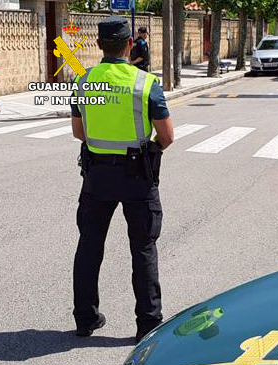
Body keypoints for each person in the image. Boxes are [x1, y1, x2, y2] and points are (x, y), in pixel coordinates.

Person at [70, 16, 174, 342]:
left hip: (97, 177)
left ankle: (85, 319)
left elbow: (79, 132)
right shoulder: (145, 84)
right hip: (138, 177)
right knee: (142, 248)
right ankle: (147, 324)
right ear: (130, 44)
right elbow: (167, 137)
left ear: (99, 45)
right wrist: (148, 149)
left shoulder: (85, 82)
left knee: (89, 247)